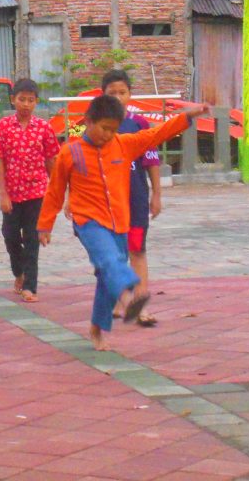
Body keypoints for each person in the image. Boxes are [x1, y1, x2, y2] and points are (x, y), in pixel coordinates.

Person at [38, 95, 209, 351]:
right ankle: (130, 298)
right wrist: (45, 225)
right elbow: (55, 190)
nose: (108, 134)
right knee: (109, 261)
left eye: (113, 129)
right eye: (104, 128)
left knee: (107, 274)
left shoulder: (123, 145)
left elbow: (156, 135)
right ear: (88, 121)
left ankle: (98, 326)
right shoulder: (70, 153)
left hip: (119, 223)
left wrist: (188, 116)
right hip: (88, 222)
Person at [0, 78, 60, 302]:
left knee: (31, 239)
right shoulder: (3, 126)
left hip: (36, 192)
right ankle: (18, 271)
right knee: (10, 236)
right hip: (11, 192)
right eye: (21, 99)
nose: (26, 104)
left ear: (36, 102)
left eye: (30, 100)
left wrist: (56, 193)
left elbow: (51, 160)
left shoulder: (44, 128)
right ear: (13, 100)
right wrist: (2, 193)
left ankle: (30, 286)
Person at [101, 70, 161, 327]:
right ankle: (116, 301)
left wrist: (156, 193)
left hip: (135, 199)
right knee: (114, 253)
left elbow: (151, 160)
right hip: (107, 201)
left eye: (122, 92)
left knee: (137, 249)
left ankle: (141, 304)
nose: (117, 97)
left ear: (130, 94)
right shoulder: (96, 125)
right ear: (102, 95)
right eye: (111, 93)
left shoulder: (139, 125)